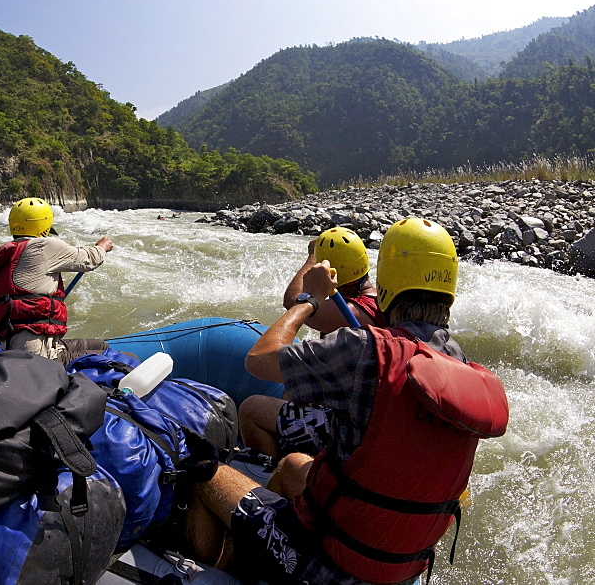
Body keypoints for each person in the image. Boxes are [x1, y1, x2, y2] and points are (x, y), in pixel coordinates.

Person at [184, 217, 509, 584]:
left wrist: (310, 301)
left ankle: (225, 571)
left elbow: (259, 359)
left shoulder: (365, 350)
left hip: (336, 560)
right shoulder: (464, 367)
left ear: (388, 281)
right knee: (292, 464)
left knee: (202, 470)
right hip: (400, 565)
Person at [240, 227, 388, 460]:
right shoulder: (379, 299)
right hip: (361, 408)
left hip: (345, 421)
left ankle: (273, 476)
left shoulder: (350, 312)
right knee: (292, 388)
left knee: (250, 410)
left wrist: (313, 258)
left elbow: (294, 302)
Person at [0, 196, 114, 365]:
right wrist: (102, 246)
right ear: (45, 224)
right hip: (37, 357)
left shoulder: (4, 257)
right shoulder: (44, 246)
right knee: (114, 358)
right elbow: (89, 259)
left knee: (101, 345)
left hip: (4, 351)